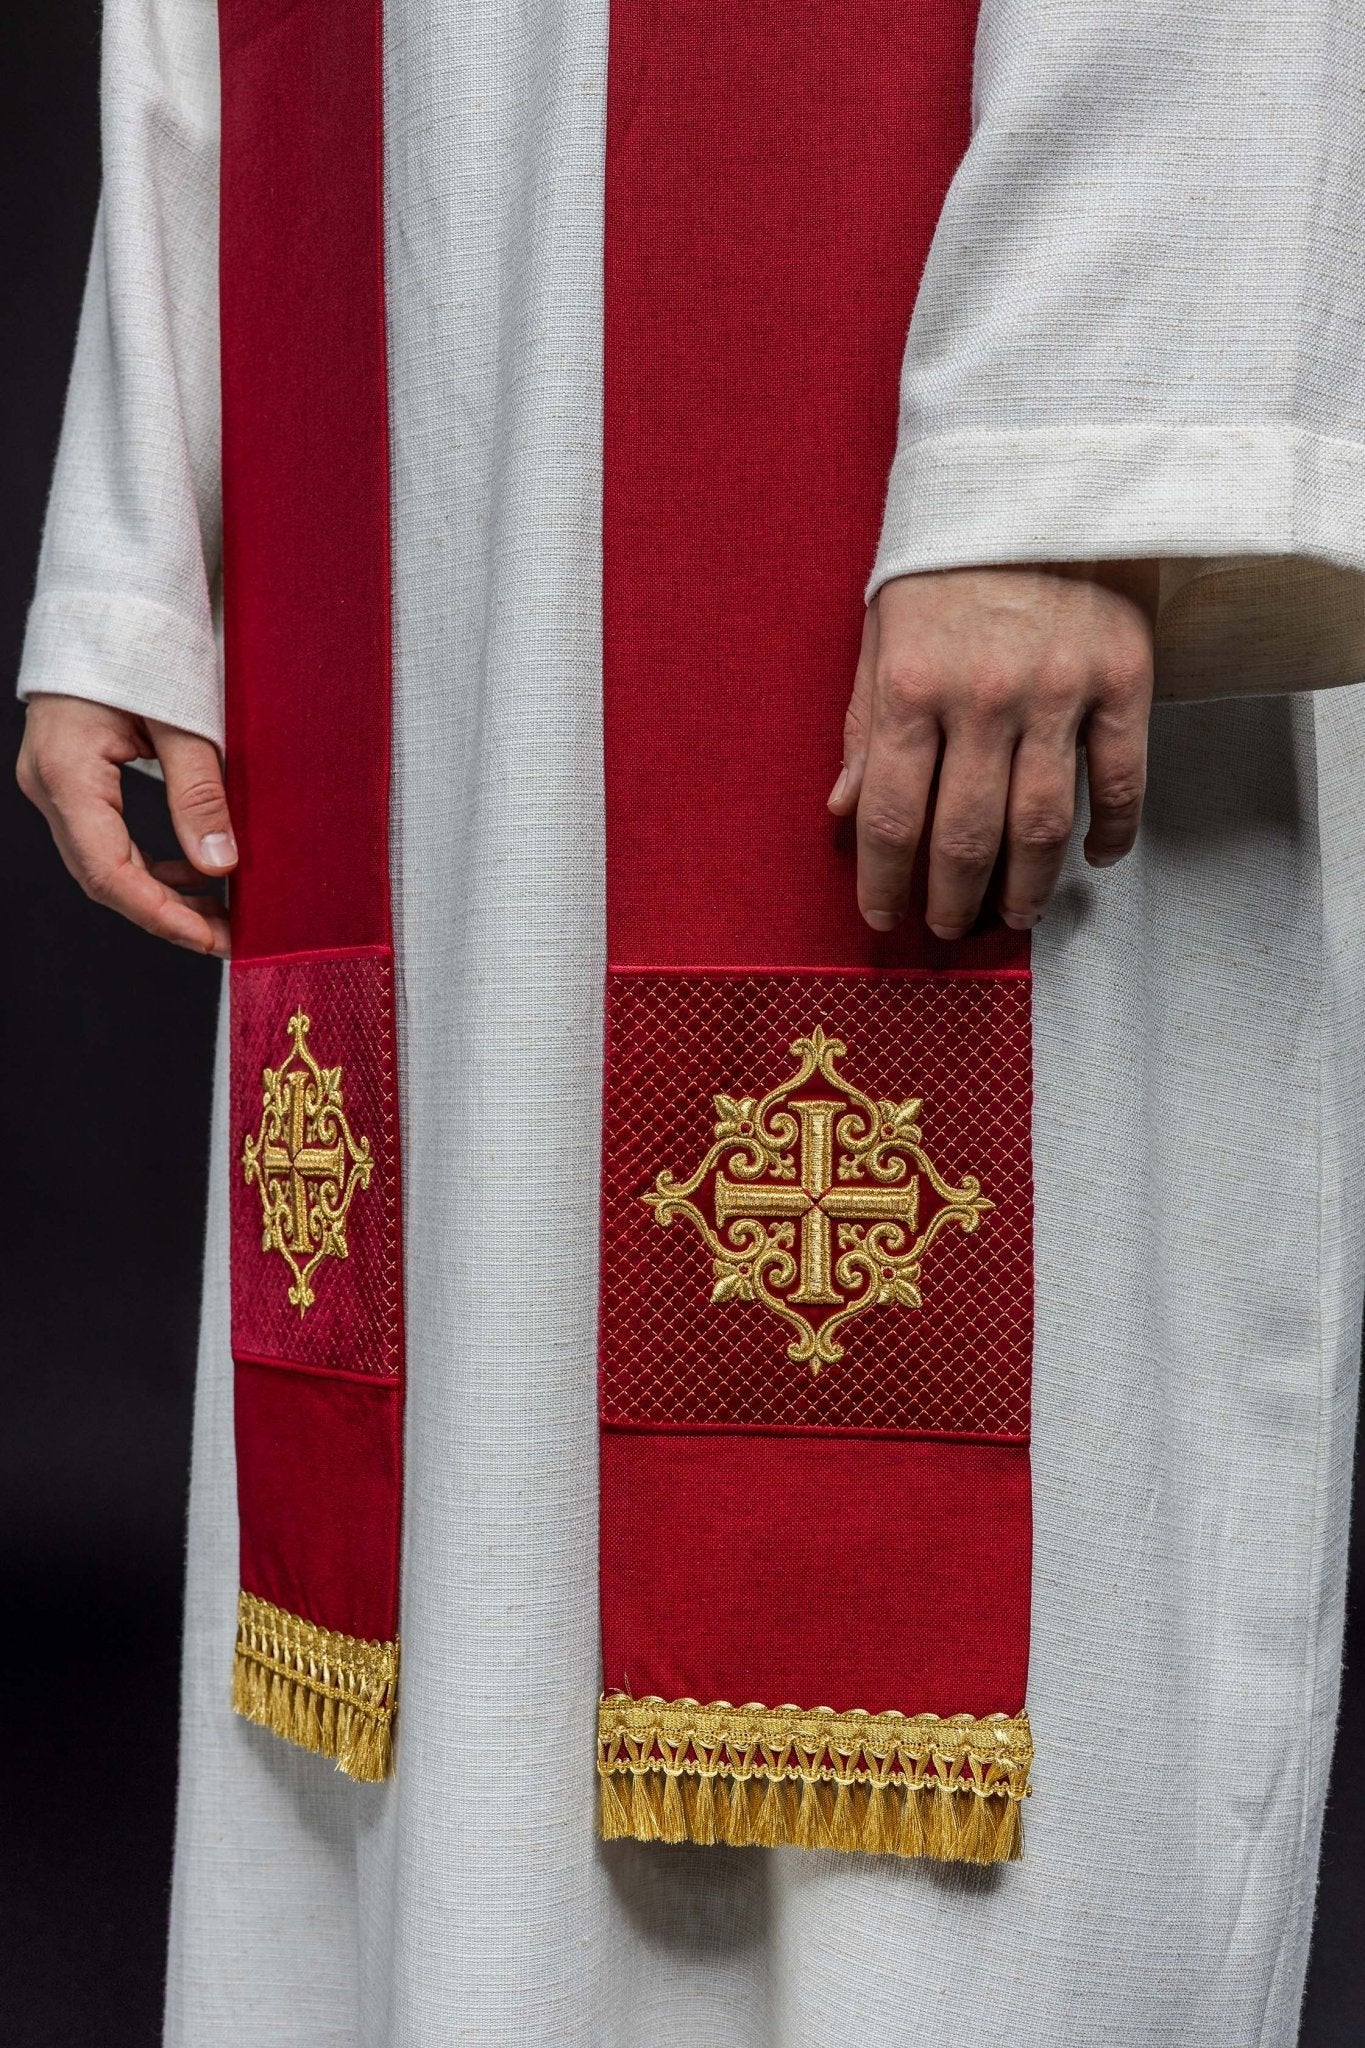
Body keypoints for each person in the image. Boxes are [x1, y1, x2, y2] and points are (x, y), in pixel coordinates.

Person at [15, 0, 1365, 2040]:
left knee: (955, 1795)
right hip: (408, 417)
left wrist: (1059, 448)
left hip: (928, 356)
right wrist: (143, 523)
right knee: (462, 1549)